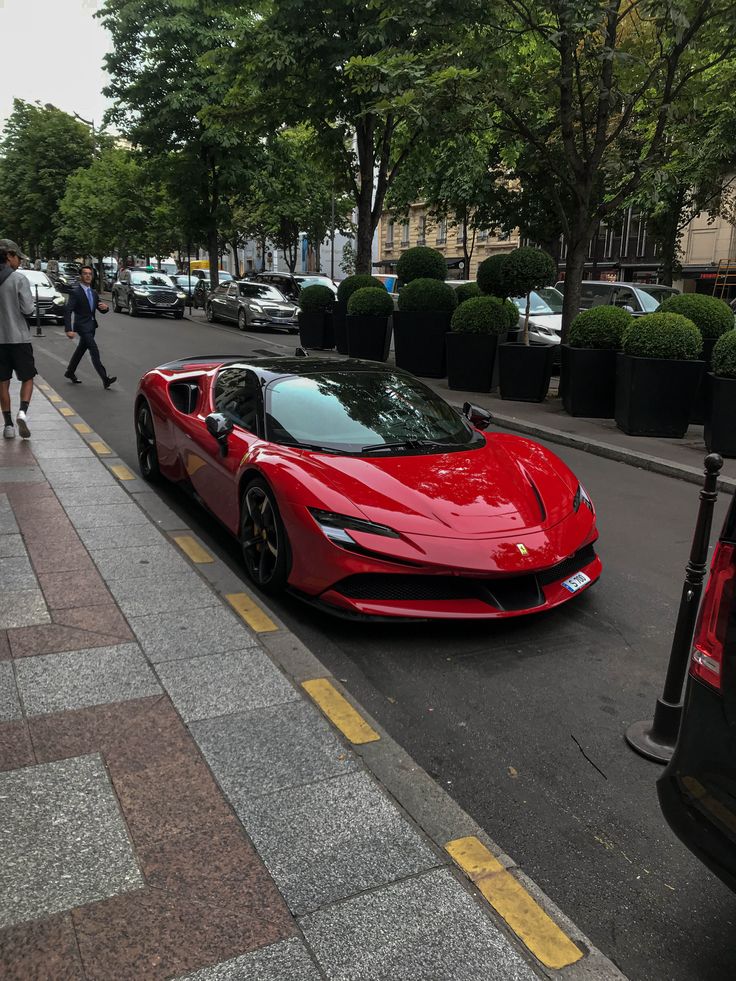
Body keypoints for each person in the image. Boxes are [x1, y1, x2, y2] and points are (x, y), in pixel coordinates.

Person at [0, 239, 36, 439]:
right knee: (27, 377)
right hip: (19, 338)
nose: (19, 262)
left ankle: (8, 426)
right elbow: (28, 309)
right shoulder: (18, 279)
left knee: (2, 382)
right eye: (17, 257)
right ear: (9, 256)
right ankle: (22, 412)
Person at [64, 265, 116, 389]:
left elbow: (99, 308)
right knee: (94, 351)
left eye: (90, 274)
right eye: (85, 273)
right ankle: (105, 379)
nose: (88, 276)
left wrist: (106, 308)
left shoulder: (93, 292)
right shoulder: (75, 292)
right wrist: (68, 329)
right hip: (82, 327)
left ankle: (70, 372)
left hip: (92, 327)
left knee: (80, 351)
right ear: (80, 276)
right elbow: (68, 311)